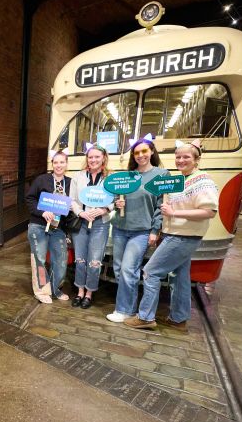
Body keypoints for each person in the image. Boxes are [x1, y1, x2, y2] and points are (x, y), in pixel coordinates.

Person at [124, 139, 218, 331]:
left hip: (183, 237)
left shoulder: (203, 181)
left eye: (186, 157)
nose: (181, 160)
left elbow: (209, 211)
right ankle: (179, 318)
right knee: (180, 277)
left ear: (196, 159)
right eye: (178, 157)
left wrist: (174, 213)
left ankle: (145, 317)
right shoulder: (181, 179)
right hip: (174, 234)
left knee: (151, 271)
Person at [106, 138, 168, 323]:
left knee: (128, 269)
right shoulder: (128, 175)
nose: (141, 155)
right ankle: (130, 308)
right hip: (119, 228)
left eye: (144, 151)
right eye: (137, 152)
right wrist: (117, 203)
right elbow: (116, 200)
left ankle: (123, 310)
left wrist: (155, 230)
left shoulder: (161, 174)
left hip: (141, 231)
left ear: (151, 152)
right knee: (119, 269)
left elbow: (161, 205)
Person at [69, 144, 113, 308]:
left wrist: (103, 209)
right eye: (90, 157)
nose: (93, 160)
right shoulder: (78, 176)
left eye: (96, 157)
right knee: (80, 260)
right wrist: (81, 213)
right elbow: (72, 199)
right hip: (81, 222)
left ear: (103, 158)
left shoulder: (110, 178)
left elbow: (115, 200)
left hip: (100, 224)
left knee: (94, 261)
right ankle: (80, 291)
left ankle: (89, 293)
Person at [25, 151, 72, 303]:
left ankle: (55, 289)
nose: (58, 165)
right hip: (38, 225)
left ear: (66, 164)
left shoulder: (71, 183)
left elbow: (73, 206)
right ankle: (42, 291)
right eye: (55, 162)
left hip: (58, 228)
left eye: (62, 162)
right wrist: (42, 211)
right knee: (39, 259)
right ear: (52, 164)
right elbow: (30, 198)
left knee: (60, 259)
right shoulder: (42, 180)